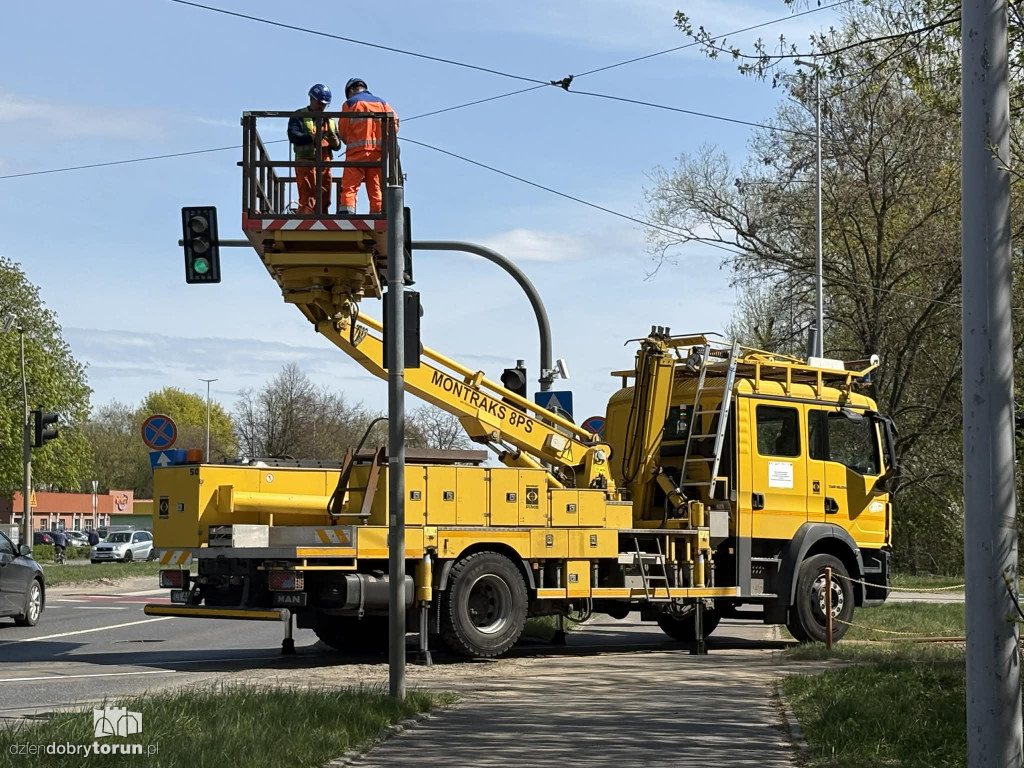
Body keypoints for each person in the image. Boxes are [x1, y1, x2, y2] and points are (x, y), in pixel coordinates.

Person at [337, 78, 398, 214]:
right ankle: (377, 213)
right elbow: (394, 125)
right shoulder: (382, 103)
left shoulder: (350, 103)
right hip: (377, 154)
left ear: (351, 90)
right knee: (376, 187)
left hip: (356, 152)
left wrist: (348, 140)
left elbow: (342, 130)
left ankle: (347, 212)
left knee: (350, 186)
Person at [287, 84, 341, 215]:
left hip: (324, 164)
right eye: (320, 103)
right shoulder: (299, 115)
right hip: (306, 162)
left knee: (324, 194)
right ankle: (306, 220)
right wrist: (311, 138)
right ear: (311, 98)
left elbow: (337, 146)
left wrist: (335, 141)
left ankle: (322, 218)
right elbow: (293, 135)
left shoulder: (330, 121)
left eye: (324, 104)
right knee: (308, 194)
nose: (322, 107)